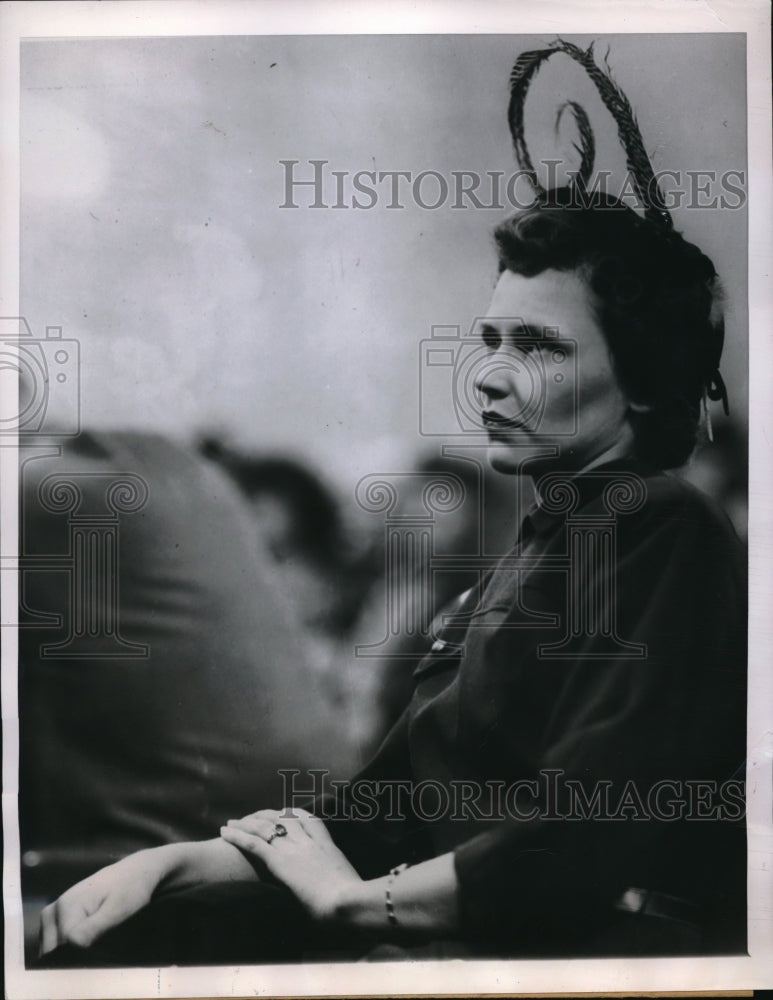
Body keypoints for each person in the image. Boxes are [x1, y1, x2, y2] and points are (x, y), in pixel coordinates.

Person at [35, 41, 746, 964]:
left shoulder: (661, 524)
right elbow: (377, 815)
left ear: (644, 383)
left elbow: (588, 828)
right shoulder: (529, 557)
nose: (489, 374)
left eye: (536, 347)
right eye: (488, 338)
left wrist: (356, 909)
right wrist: (170, 864)